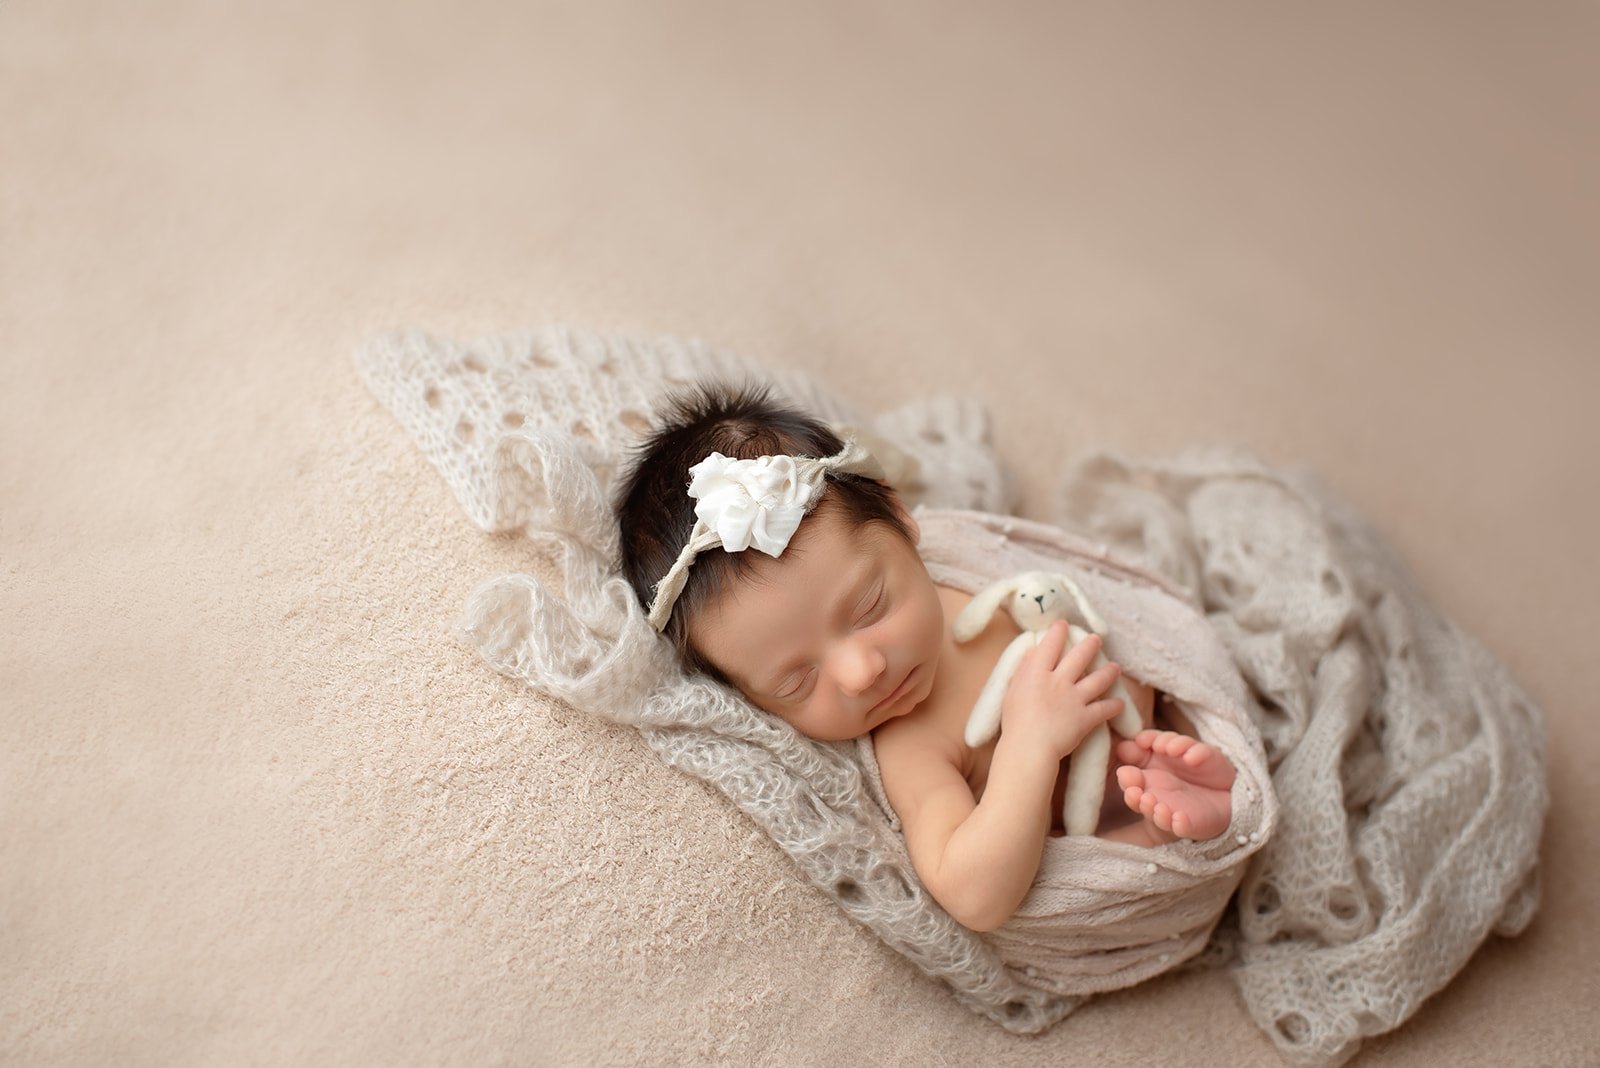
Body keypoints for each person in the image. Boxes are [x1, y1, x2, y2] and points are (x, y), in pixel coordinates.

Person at [615, 383, 1236, 933]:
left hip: (1158, 722)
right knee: (1152, 823)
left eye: (868, 608)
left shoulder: (962, 560)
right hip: (1114, 823)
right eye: (797, 681)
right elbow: (972, 896)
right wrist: (1029, 745)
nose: (863, 673)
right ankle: (1170, 834)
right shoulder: (912, 744)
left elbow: (1099, 593)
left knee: (1196, 712)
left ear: (902, 518)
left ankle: (1202, 766)